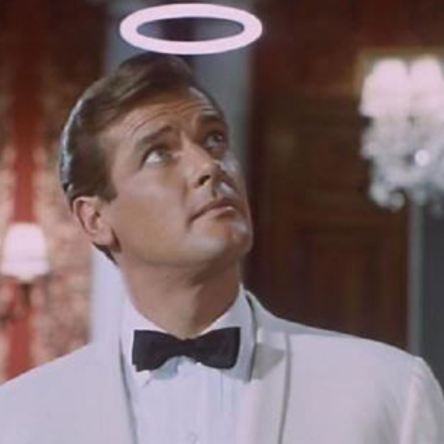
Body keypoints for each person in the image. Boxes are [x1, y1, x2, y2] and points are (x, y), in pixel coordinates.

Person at [0, 53, 443, 444]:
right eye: (158, 153)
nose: (208, 166)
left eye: (213, 139)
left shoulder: (388, 391)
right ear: (95, 220)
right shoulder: (20, 418)